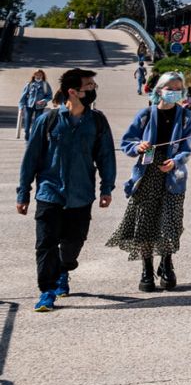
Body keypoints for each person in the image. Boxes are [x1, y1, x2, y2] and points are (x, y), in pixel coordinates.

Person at [16, 68, 116, 312]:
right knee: (45, 243)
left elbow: (106, 156)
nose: (93, 89)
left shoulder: (97, 121)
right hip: (50, 192)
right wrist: (23, 193)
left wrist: (107, 188)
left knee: (73, 242)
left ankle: (64, 268)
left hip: (81, 194)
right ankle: (47, 291)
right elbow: (31, 159)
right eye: (89, 86)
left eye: (93, 85)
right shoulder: (47, 120)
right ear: (73, 91)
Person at [107, 72, 191, 291]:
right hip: (147, 174)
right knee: (145, 223)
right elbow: (128, 141)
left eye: (178, 88)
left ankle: (166, 264)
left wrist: (175, 162)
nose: (174, 92)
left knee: (170, 222)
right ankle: (147, 268)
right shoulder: (146, 114)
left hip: (172, 175)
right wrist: (138, 147)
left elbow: (187, 148)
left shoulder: (186, 117)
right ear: (159, 90)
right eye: (170, 88)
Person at [18, 70, 52, 140]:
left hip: (40, 106)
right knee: (27, 121)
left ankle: (34, 136)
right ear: (34, 75)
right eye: (37, 74)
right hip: (29, 106)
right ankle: (27, 133)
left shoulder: (45, 84)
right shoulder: (29, 84)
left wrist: (44, 100)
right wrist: (21, 107)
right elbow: (23, 96)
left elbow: (49, 96)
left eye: (40, 75)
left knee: (37, 122)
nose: (38, 76)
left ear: (42, 75)